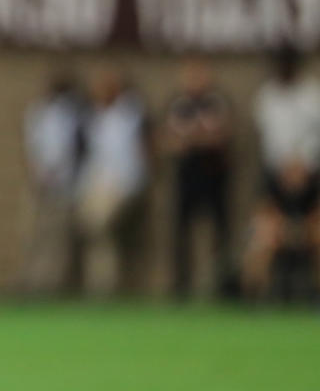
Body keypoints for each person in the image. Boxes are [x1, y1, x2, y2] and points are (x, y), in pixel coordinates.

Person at [243, 44, 320, 299]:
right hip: (276, 180)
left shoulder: (312, 94)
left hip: (311, 180)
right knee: (261, 236)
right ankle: (257, 298)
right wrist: (284, 170)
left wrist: (302, 165)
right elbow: (268, 142)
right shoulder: (267, 97)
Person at [74, 65, 149, 296]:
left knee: (102, 230)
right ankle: (100, 285)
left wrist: (130, 186)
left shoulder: (131, 115)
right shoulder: (92, 116)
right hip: (96, 186)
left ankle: (105, 286)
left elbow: (140, 154)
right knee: (96, 236)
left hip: (123, 186)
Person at [163, 59, 233, 297]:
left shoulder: (216, 102)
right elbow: (171, 143)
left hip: (214, 176)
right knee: (181, 233)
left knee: (219, 232)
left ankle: (222, 285)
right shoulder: (179, 104)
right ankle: (180, 285)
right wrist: (198, 138)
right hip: (187, 176)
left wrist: (193, 138)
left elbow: (221, 137)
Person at [21, 72, 86, 295]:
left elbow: (72, 150)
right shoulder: (38, 112)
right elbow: (31, 147)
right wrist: (37, 173)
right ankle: (30, 282)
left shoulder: (73, 115)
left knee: (56, 239)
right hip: (38, 183)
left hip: (64, 184)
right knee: (33, 235)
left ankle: (49, 286)